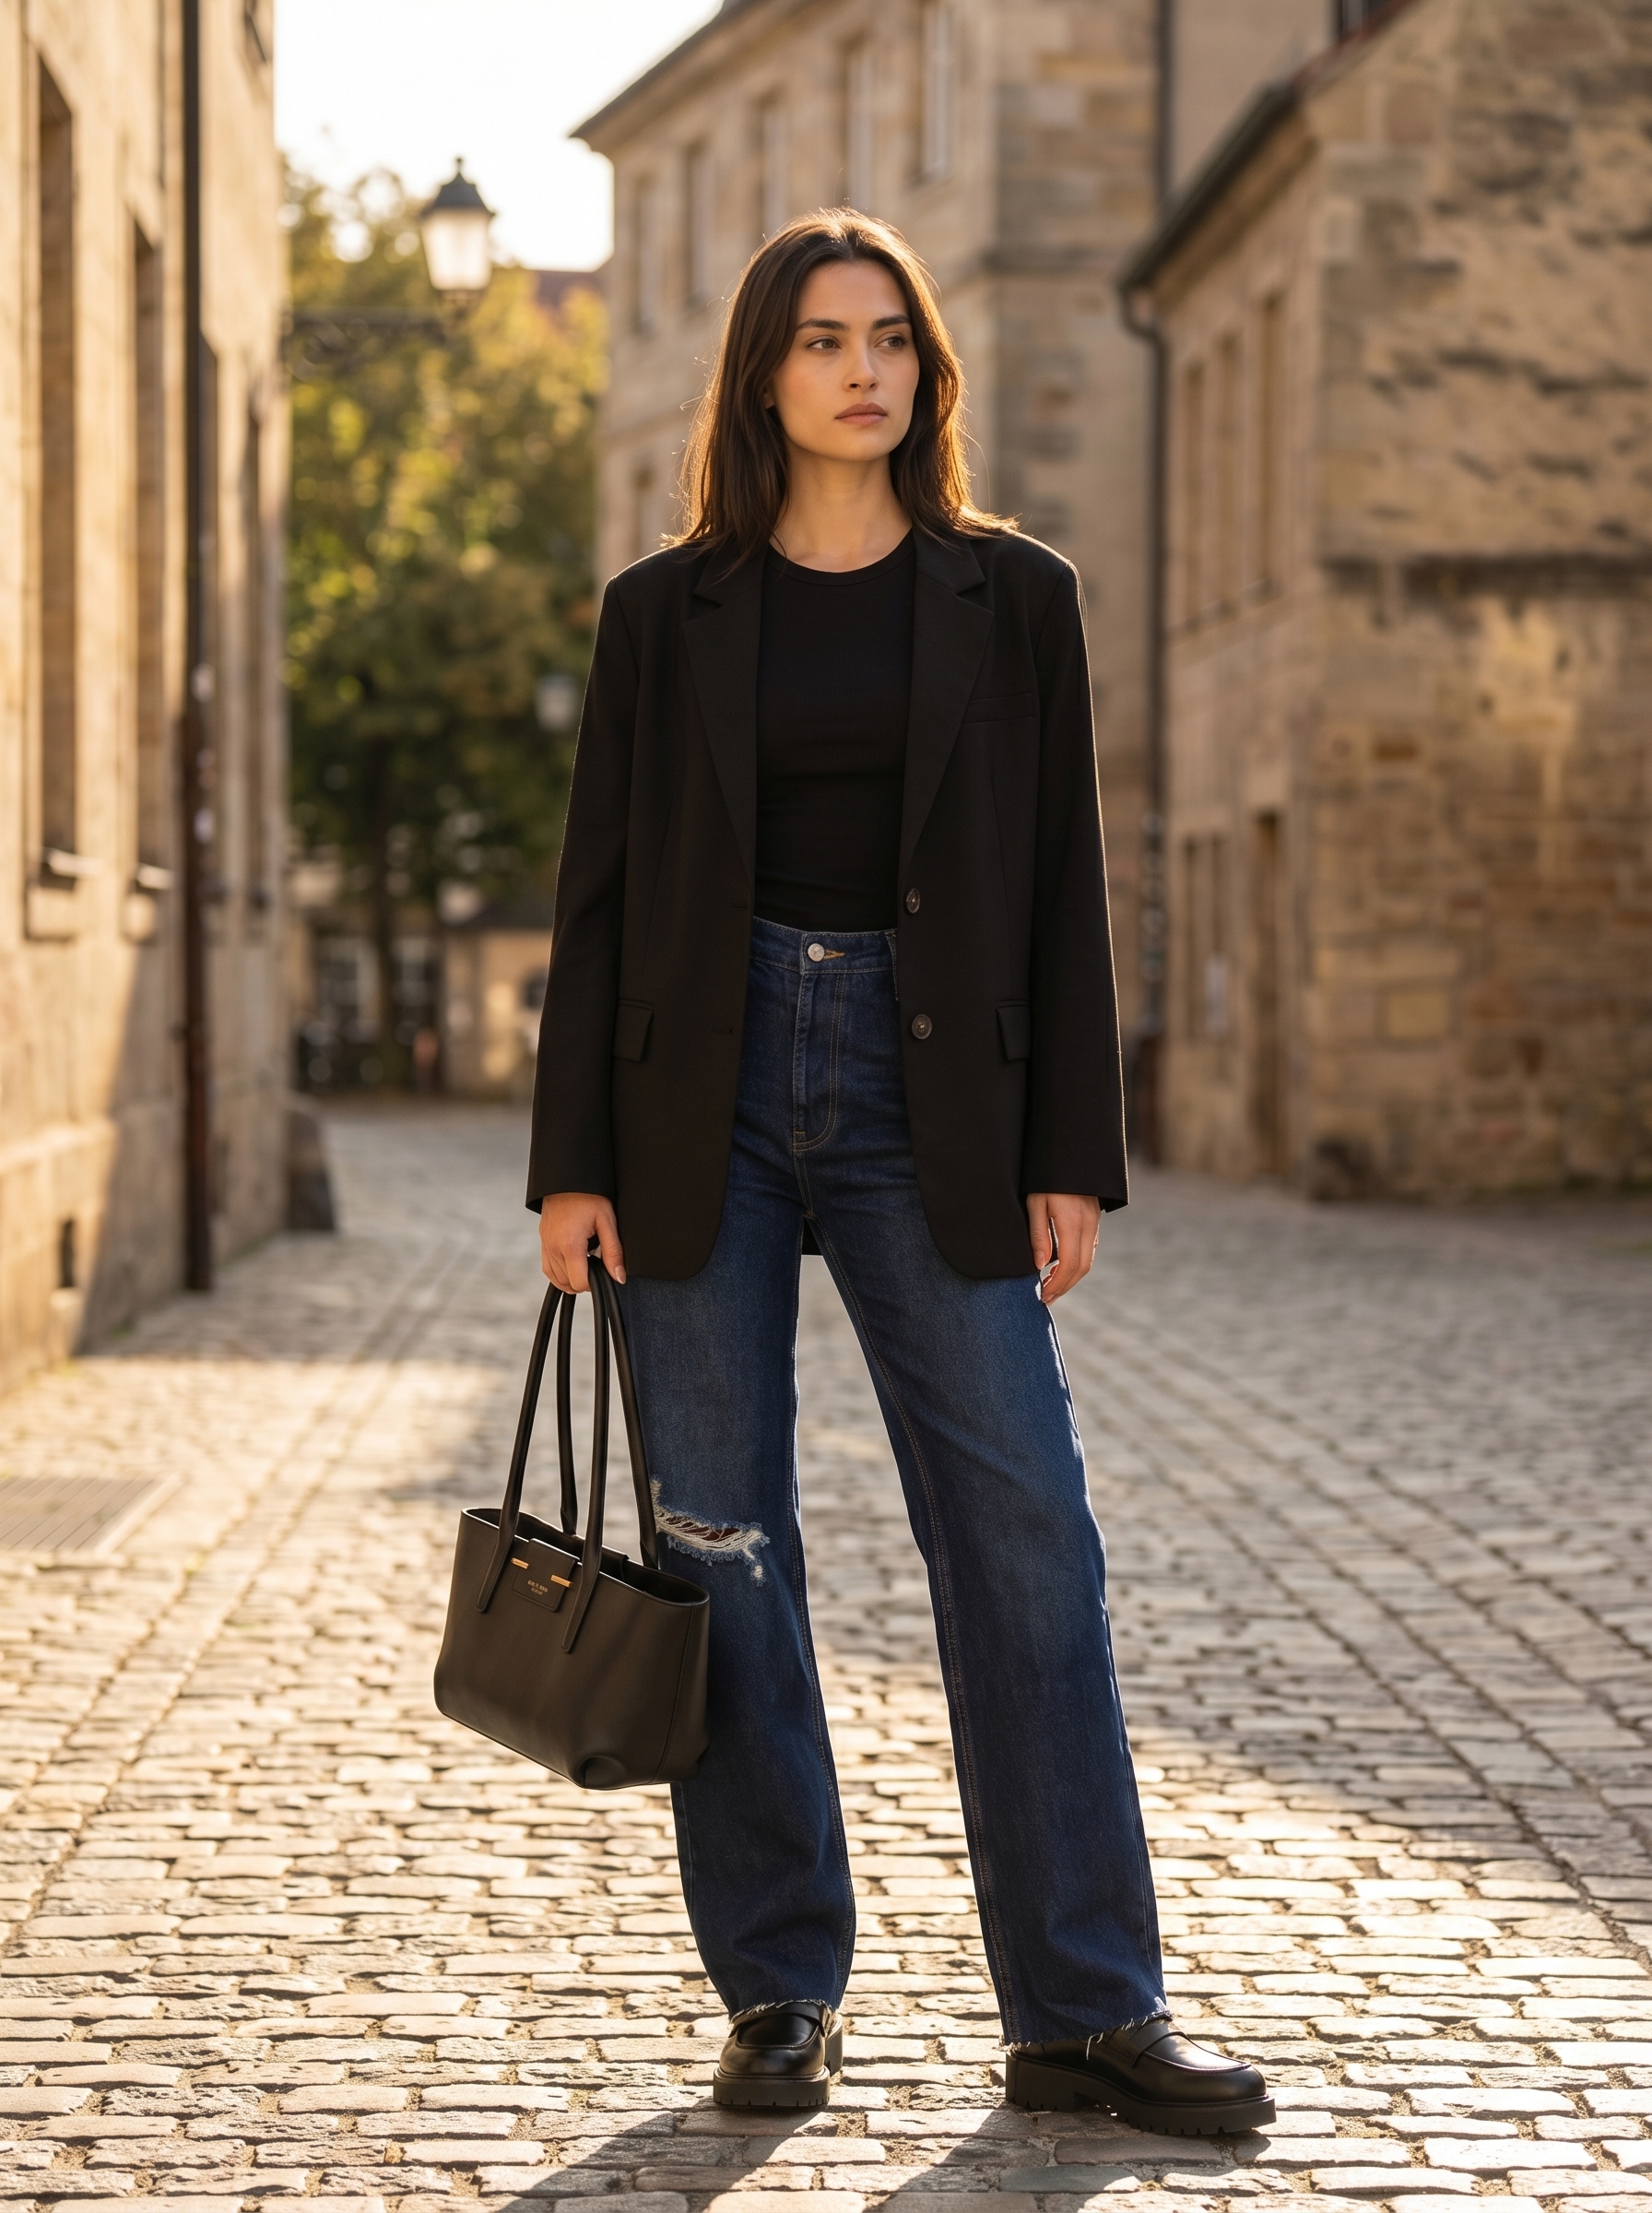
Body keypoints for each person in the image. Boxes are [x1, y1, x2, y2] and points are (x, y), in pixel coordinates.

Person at [529, 208, 1271, 2134]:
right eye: (821, 339)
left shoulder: (1011, 599)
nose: (862, 368)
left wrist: (1068, 1153)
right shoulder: (655, 612)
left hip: (927, 1100)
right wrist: (568, 1166)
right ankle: (779, 1987)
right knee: (722, 1548)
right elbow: (596, 904)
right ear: (762, 372)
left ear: (923, 374)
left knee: (1024, 1533)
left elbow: (1056, 890)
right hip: (698, 1095)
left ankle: (1084, 2007)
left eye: (890, 340)